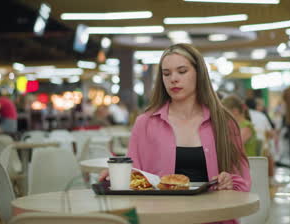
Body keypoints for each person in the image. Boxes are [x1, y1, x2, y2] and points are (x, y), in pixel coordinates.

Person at [99, 44, 251, 205]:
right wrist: (116, 177)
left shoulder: (224, 122)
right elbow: (135, 179)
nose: (173, 79)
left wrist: (229, 181)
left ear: (199, 74)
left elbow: (243, 182)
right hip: (161, 216)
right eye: (166, 74)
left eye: (182, 71)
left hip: (215, 217)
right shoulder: (145, 123)